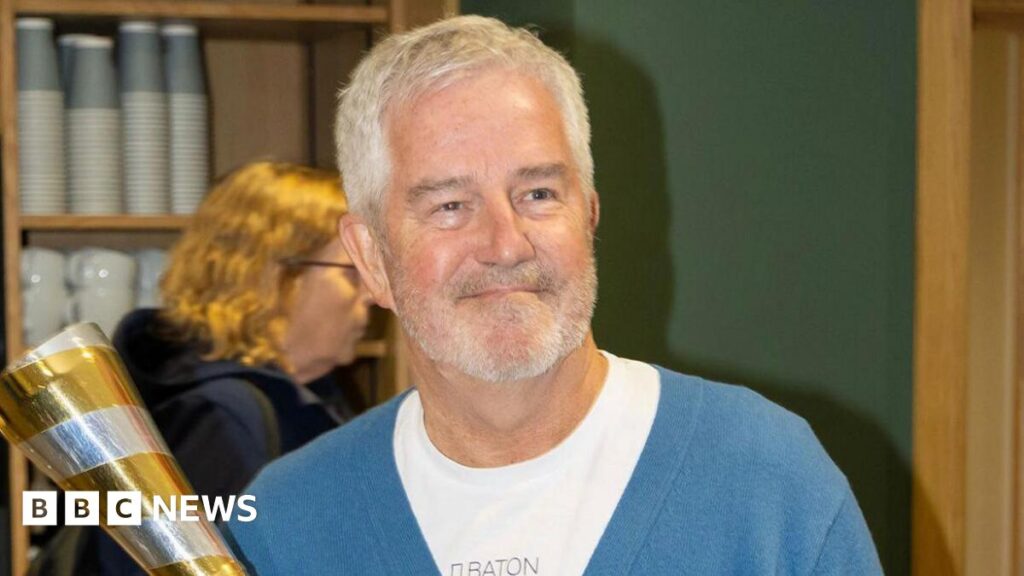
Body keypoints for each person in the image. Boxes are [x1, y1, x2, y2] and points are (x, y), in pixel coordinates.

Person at [225, 16, 882, 575]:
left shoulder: (766, 480)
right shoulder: (287, 526)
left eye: (538, 194)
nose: (505, 244)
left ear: (589, 215)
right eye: (451, 205)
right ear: (370, 257)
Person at [32, 162, 370, 576]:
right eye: (352, 272)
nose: (372, 292)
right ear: (276, 278)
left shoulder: (294, 400)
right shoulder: (225, 419)